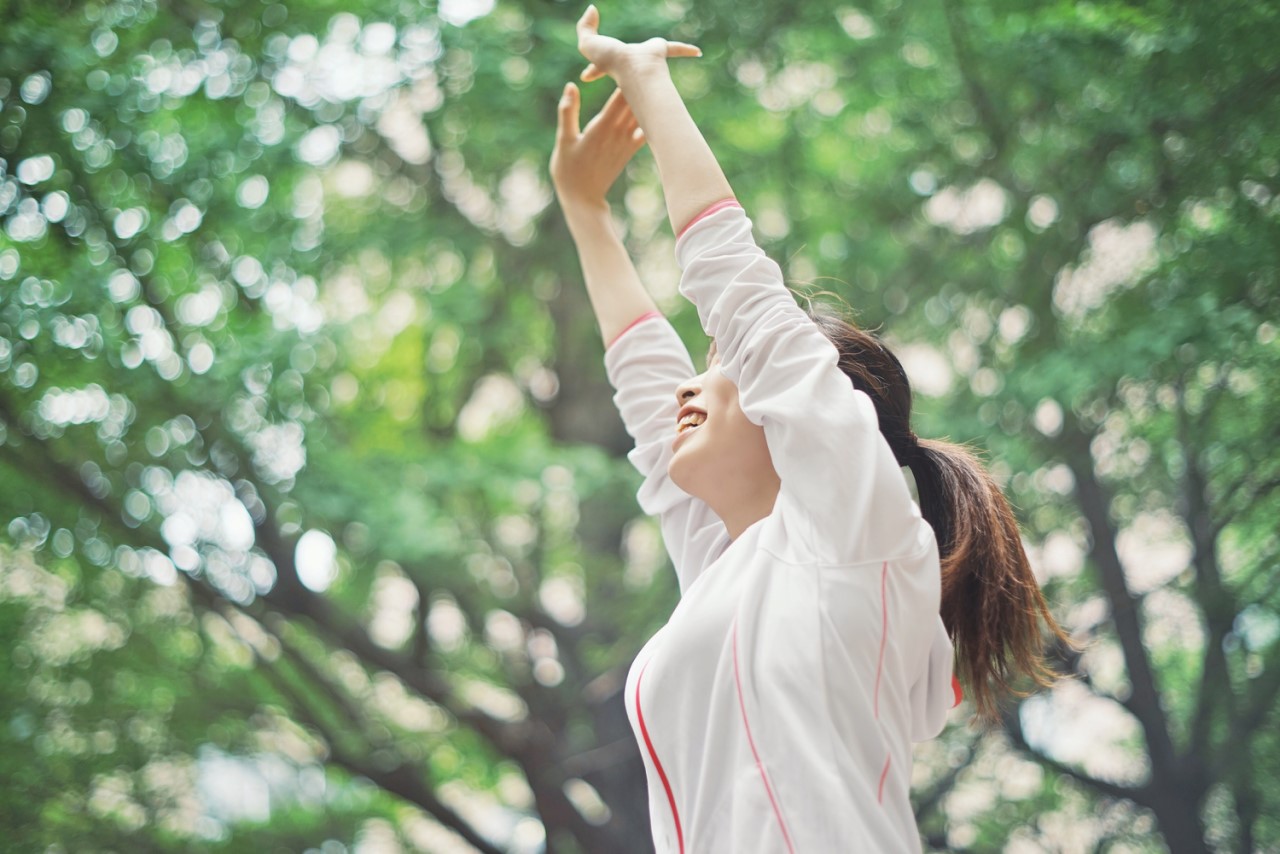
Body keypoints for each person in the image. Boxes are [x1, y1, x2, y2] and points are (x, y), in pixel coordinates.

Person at [549, 7, 1070, 851]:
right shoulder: (727, 565)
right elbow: (650, 391)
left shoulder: (853, 533)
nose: (689, 384)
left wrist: (648, 81)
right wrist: (585, 211)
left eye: (720, 360)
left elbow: (742, 295)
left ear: (796, 410)